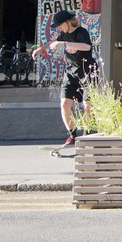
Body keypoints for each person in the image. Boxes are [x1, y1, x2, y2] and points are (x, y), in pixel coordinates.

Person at [30, 10, 94, 149]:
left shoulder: (81, 32)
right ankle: (73, 135)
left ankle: (88, 135)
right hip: (71, 72)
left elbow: (87, 46)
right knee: (65, 103)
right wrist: (41, 49)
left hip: (87, 72)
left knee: (87, 105)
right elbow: (56, 42)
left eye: (60, 25)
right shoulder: (64, 34)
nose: (59, 28)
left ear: (68, 23)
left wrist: (65, 44)